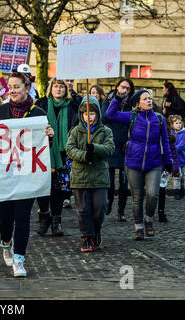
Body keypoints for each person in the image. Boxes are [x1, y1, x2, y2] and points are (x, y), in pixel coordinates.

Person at [0, 71, 53, 277]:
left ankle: (19, 259)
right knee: (5, 219)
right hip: (5, 174)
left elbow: (42, 145)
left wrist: (48, 137)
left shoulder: (38, 113)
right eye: (10, 86)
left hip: (27, 174)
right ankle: (5, 243)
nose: (12, 90)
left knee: (23, 216)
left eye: (16, 86)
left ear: (27, 89)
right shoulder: (0, 111)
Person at [106, 89, 173, 240]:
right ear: (138, 103)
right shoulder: (132, 116)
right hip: (133, 163)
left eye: (150, 98)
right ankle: (139, 228)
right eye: (145, 99)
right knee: (137, 197)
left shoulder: (159, 119)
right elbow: (110, 115)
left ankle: (149, 219)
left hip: (154, 163)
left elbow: (165, 142)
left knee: (152, 194)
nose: (149, 101)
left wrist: (169, 161)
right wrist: (117, 99)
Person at [66, 95, 115, 252]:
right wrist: (83, 155)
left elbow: (109, 148)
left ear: (98, 114)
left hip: (99, 176)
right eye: (86, 114)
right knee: (83, 209)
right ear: (82, 115)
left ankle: (96, 229)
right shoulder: (76, 131)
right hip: (80, 176)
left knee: (99, 207)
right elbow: (70, 149)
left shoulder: (105, 131)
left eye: (92, 114)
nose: (89, 117)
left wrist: (94, 148)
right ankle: (87, 236)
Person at [35, 78, 79, 236]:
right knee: (43, 187)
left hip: (64, 153)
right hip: (44, 151)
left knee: (59, 189)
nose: (58, 89)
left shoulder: (73, 105)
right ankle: (44, 218)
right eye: (55, 86)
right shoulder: (41, 104)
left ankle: (56, 221)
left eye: (61, 86)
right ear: (50, 89)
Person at [101, 78, 135, 222]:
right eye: (122, 87)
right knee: (109, 180)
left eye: (127, 88)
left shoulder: (133, 103)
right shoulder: (109, 99)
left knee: (124, 182)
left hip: (125, 145)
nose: (125, 90)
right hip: (110, 142)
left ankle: (121, 210)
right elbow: (104, 118)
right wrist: (116, 102)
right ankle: (108, 204)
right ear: (117, 87)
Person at [157, 119, 180, 223]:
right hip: (153, 167)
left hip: (164, 169)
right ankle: (150, 212)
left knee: (161, 191)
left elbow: (174, 155)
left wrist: (174, 168)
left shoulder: (169, 139)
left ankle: (161, 212)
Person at [170, 114, 185, 200]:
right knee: (177, 176)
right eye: (176, 123)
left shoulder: (184, 133)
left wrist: (173, 149)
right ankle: (176, 192)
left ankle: (182, 189)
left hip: (183, 158)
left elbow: (182, 145)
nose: (178, 125)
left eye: (179, 123)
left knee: (183, 176)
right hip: (175, 159)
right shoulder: (171, 133)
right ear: (172, 125)